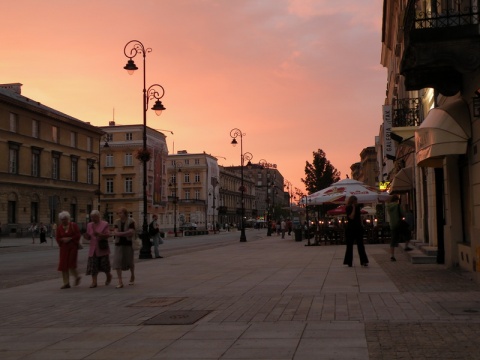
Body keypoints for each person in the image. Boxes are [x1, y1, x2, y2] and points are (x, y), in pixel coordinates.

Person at [83, 210, 112, 288]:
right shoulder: (89, 225)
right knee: (93, 265)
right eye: (91, 217)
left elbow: (107, 235)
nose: (93, 219)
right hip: (93, 248)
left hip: (102, 247)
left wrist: (99, 234)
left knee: (104, 265)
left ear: (98, 216)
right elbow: (89, 236)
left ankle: (108, 276)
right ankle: (94, 282)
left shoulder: (104, 224)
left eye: (94, 217)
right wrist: (87, 236)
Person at [56, 211, 82, 289]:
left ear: (68, 219)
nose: (63, 221)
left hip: (72, 247)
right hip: (64, 248)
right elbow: (57, 237)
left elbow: (78, 235)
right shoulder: (59, 227)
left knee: (71, 263)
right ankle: (66, 283)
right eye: (62, 219)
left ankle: (76, 277)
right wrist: (62, 240)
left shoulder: (73, 225)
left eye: (65, 219)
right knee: (63, 264)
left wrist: (70, 238)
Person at [113, 207, 136, 288]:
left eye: (121, 213)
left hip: (128, 244)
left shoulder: (131, 221)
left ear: (125, 213)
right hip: (118, 244)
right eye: (118, 213)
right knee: (117, 261)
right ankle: (120, 281)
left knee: (129, 261)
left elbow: (131, 232)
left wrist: (120, 234)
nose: (119, 214)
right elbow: (115, 231)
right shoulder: (117, 221)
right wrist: (123, 233)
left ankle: (132, 275)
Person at [343, 195, 369, 267]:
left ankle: (363, 261)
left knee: (360, 245)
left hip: (358, 228)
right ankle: (349, 262)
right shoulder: (348, 208)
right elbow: (351, 217)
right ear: (352, 201)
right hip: (350, 229)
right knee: (349, 246)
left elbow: (358, 218)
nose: (356, 202)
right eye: (355, 201)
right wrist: (353, 208)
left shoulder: (358, 208)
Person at [386, 194, 403, 261]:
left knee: (392, 240)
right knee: (406, 234)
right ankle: (407, 246)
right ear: (397, 200)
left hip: (392, 224)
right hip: (399, 223)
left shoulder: (388, 206)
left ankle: (392, 255)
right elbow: (403, 213)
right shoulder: (397, 206)